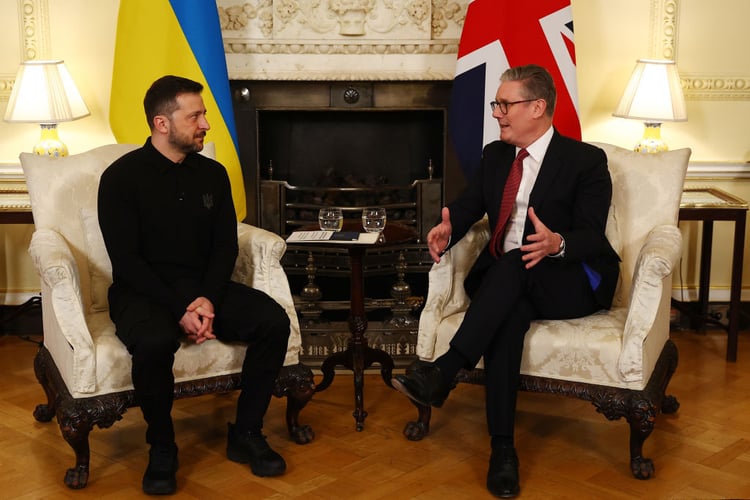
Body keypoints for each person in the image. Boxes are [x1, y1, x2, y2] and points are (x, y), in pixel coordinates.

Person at [392, 64, 620, 498]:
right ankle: (502, 451)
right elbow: (469, 204)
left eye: (504, 104)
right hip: (506, 282)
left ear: (537, 107)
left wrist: (557, 243)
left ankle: (445, 370)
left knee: (514, 266)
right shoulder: (496, 155)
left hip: (567, 280)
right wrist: (449, 229)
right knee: (508, 314)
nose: (496, 113)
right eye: (495, 104)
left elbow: (593, 235)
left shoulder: (585, 161)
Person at [98, 75, 291, 495]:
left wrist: (206, 300)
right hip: (143, 292)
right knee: (153, 342)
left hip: (205, 289)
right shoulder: (120, 178)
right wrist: (182, 307)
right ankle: (162, 445)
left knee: (274, 321)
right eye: (196, 116)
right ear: (162, 123)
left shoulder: (213, 174)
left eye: (203, 115)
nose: (206, 124)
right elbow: (127, 261)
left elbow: (225, 247)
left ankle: (246, 432)